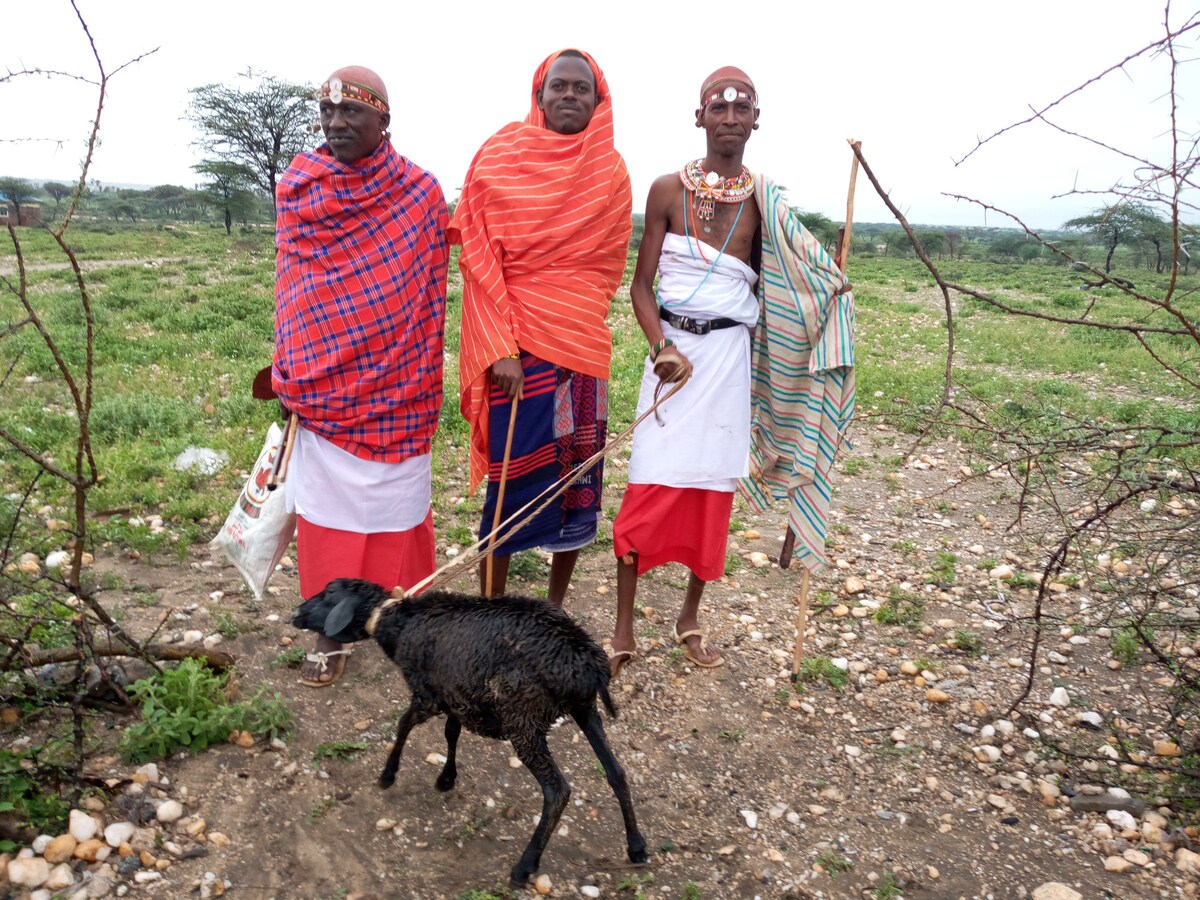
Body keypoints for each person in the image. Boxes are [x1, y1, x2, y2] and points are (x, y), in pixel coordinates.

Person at [607, 66, 853, 677]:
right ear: (700, 118)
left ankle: (689, 618)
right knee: (649, 483)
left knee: (714, 490)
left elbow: (798, 281)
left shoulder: (765, 202)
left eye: (742, 109)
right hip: (670, 362)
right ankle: (623, 625)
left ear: (755, 121)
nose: (730, 118)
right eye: (718, 108)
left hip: (727, 366)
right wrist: (660, 343)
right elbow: (640, 287)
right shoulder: (666, 190)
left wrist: (832, 289)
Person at [272, 66, 449, 687]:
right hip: (323, 392)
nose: (337, 123)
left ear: (384, 121)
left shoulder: (420, 194)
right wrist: (294, 362)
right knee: (328, 516)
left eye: (352, 113)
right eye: (328, 111)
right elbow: (296, 288)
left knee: (394, 508)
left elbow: (428, 289)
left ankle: (396, 616)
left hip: (399, 384)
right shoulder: (300, 187)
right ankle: (330, 627)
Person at [449, 49, 632, 606]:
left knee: (578, 485)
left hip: (580, 344)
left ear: (598, 101)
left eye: (582, 88)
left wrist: (570, 315)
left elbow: (607, 268)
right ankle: (490, 608)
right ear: (540, 93)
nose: (569, 95)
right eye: (560, 86)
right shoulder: (501, 155)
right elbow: (479, 257)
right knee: (508, 487)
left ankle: (554, 606)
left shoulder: (612, 170)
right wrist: (498, 346)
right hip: (518, 348)